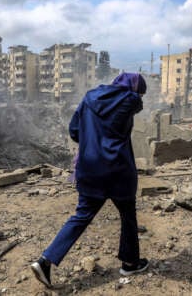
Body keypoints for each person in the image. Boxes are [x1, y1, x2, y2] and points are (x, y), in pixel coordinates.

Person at [31, 73, 149, 288]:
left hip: (89, 168)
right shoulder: (131, 100)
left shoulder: (89, 97)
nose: (140, 96)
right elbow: (136, 103)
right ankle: (130, 262)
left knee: (82, 215)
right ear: (134, 90)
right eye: (140, 91)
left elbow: (74, 131)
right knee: (128, 214)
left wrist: (92, 137)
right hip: (119, 169)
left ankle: (45, 261)